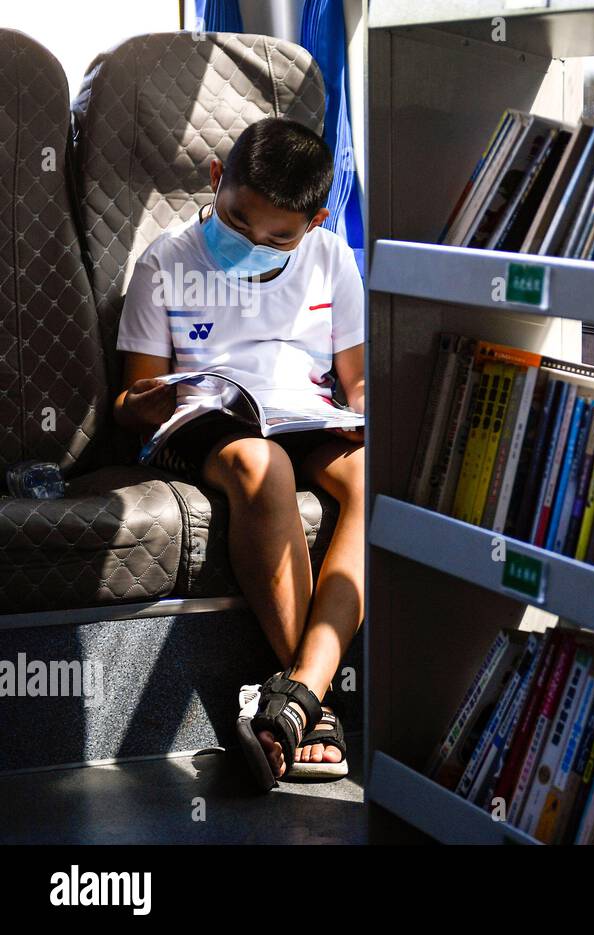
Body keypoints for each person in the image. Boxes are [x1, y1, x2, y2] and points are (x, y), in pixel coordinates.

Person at [111, 117, 364, 791]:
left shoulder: (334, 259)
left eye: (279, 236)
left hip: (306, 413)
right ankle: (319, 704)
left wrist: (364, 417)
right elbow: (133, 394)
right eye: (239, 223)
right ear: (218, 181)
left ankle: (301, 692)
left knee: (373, 477)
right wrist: (151, 401)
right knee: (263, 464)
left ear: (312, 222)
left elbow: (357, 376)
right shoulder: (165, 261)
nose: (255, 243)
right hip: (210, 418)